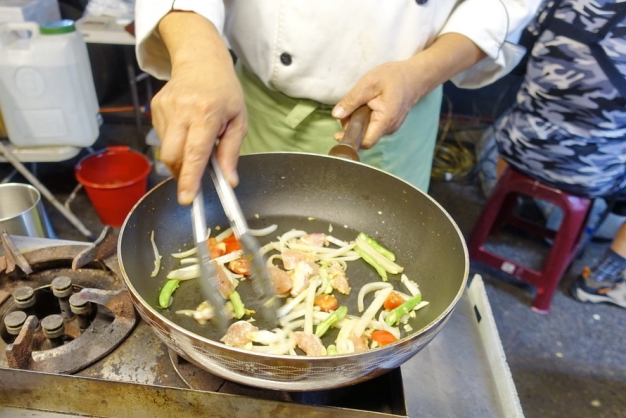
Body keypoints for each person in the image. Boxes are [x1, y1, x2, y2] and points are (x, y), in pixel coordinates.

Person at [134, 1, 541, 205]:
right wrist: (196, 55)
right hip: (257, 109)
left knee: (391, 249)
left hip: (399, 113)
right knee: (240, 230)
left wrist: (421, 75)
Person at [495, 0, 626, 308]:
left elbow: (521, 58)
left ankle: (515, 205)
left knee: (506, 120)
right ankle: (598, 280)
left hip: (518, 146)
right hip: (589, 173)